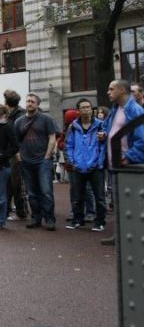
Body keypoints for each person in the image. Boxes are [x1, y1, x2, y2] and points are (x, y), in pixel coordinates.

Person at [99, 79, 144, 245]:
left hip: (128, 166)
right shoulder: (115, 109)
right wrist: (105, 135)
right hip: (115, 164)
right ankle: (119, 235)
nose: (108, 92)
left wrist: (129, 156)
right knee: (118, 202)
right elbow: (111, 130)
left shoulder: (135, 110)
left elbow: (142, 138)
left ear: (122, 91)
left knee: (132, 203)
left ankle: (131, 237)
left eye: (112, 89)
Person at [14, 93, 58, 231]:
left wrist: (47, 156)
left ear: (38, 104)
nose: (29, 103)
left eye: (32, 101)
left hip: (42, 160)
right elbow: (15, 142)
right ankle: (35, 218)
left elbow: (52, 137)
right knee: (31, 192)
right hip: (26, 161)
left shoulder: (47, 119)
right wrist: (19, 156)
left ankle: (49, 219)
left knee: (46, 191)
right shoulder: (18, 122)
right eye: (27, 101)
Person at [64, 98, 107, 232]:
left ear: (92, 109)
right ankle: (78, 220)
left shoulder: (101, 125)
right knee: (77, 196)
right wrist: (72, 161)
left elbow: (104, 146)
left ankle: (100, 222)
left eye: (88, 107)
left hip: (96, 167)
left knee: (99, 197)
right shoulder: (73, 126)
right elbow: (69, 145)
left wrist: (99, 162)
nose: (86, 109)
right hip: (78, 166)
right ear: (78, 111)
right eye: (82, 107)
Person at [3, 89, 27, 221]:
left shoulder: (19, 115)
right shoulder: (10, 115)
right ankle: (10, 211)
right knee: (10, 183)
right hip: (10, 152)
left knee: (16, 183)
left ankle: (20, 211)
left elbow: (18, 135)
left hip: (17, 153)